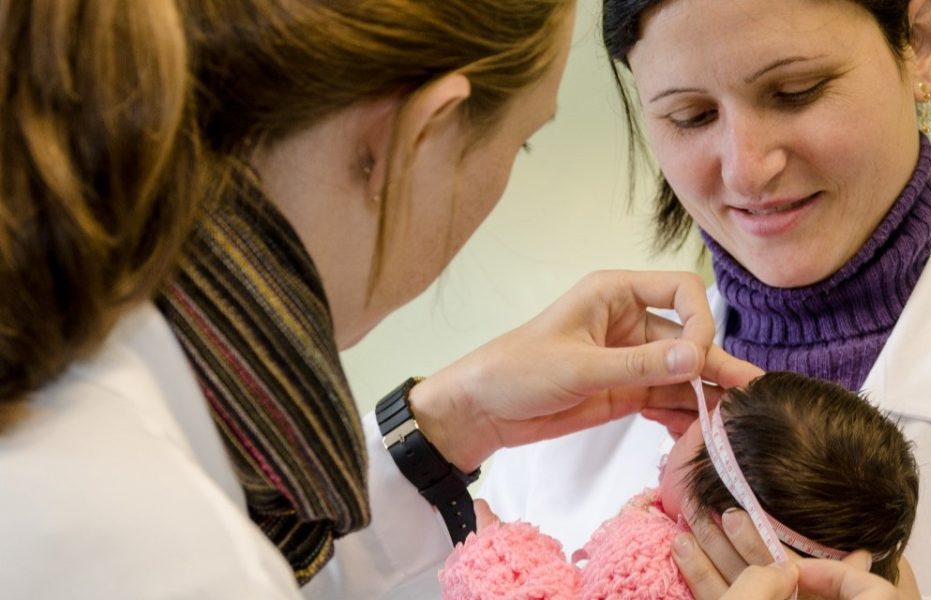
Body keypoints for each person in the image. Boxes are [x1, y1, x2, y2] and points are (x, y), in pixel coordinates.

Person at [0, 0, 762, 597]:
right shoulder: (143, 546)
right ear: (422, 137)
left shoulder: (88, 357)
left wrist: (439, 429)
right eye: (519, 142)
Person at [480, 0, 931, 598]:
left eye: (794, 93)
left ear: (921, 43)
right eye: (692, 116)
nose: (748, 168)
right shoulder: (560, 420)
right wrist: (432, 430)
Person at [439, 372, 917, 598]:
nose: (669, 444)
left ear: (712, 518)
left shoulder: (649, 563)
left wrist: (494, 555)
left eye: (691, 436)